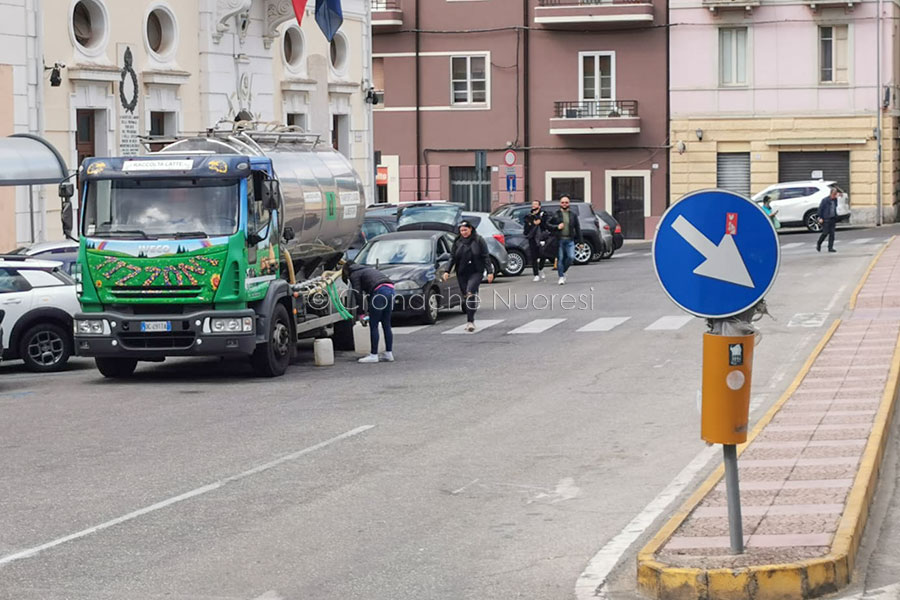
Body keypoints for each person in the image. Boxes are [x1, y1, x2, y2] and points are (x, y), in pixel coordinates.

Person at [442, 220, 494, 332]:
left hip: (476, 271)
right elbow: (452, 257)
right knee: (466, 295)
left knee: (470, 292)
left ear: (471, 229)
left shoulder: (479, 240)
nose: (464, 232)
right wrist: (447, 271)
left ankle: (470, 322)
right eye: (461, 230)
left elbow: (486, 256)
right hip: (462, 272)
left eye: (465, 230)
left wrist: (490, 272)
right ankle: (472, 306)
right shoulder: (457, 241)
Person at [342, 262, 395, 363]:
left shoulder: (354, 274)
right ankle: (389, 353)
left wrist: (361, 314)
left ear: (345, 270)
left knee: (373, 324)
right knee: (386, 324)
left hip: (379, 292)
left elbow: (358, 294)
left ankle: (373, 355)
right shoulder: (366, 269)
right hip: (390, 289)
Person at [548, 195, 583, 285]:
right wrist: (557, 227)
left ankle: (563, 271)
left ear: (569, 203)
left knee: (571, 257)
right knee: (560, 258)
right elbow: (548, 225)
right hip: (559, 240)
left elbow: (578, 228)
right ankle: (561, 277)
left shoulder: (573, 215)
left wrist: (580, 242)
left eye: (566, 202)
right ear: (560, 203)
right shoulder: (556, 214)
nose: (564, 204)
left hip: (570, 239)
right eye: (562, 202)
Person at [523, 200, 549, 282]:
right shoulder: (529, 216)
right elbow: (526, 228)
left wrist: (540, 222)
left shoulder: (543, 214)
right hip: (532, 238)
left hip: (542, 237)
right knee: (534, 256)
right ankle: (536, 274)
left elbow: (546, 225)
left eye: (535, 204)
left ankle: (540, 268)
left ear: (539, 206)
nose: (533, 206)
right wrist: (532, 223)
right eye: (532, 204)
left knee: (543, 254)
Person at [817, 188, 840, 253]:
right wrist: (820, 217)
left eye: (835, 194)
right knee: (825, 233)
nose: (834, 196)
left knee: (832, 234)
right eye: (834, 194)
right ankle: (819, 243)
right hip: (826, 219)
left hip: (833, 218)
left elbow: (835, 207)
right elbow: (820, 209)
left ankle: (830, 247)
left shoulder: (835, 200)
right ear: (831, 194)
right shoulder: (825, 200)